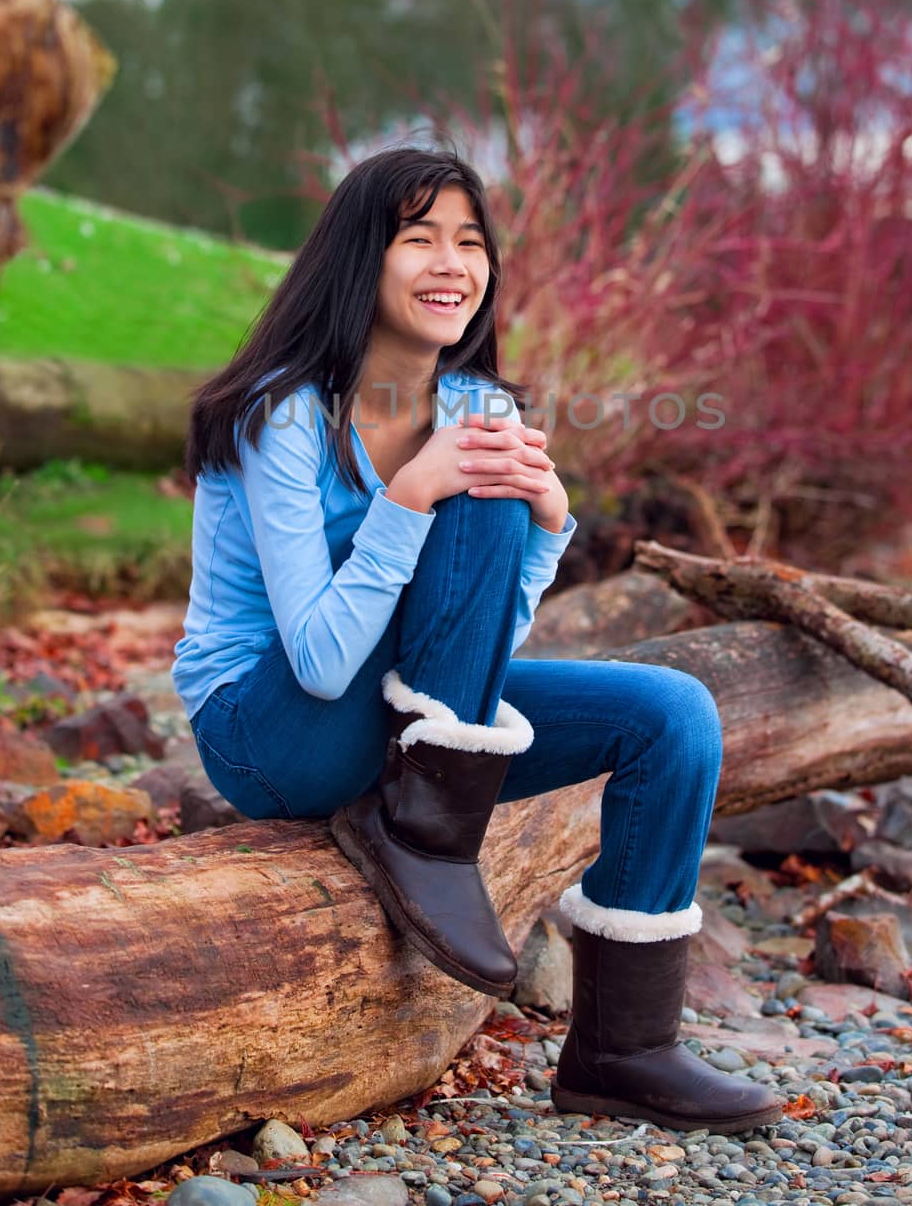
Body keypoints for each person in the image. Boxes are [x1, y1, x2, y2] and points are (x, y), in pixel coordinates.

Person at [171, 142, 783, 1135]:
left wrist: (548, 523)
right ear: (358, 258)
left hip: (412, 729)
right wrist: (413, 492)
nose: (450, 261)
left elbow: (477, 640)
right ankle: (422, 833)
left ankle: (622, 1050)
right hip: (268, 727)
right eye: (418, 239)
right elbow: (322, 662)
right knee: (478, 488)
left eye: (469, 240)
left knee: (672, 716)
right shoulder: (281, 414)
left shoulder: (473, 408)